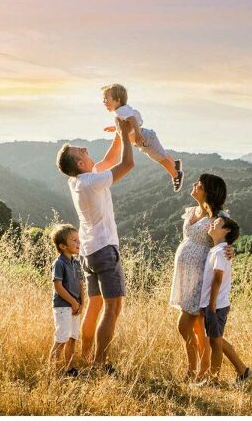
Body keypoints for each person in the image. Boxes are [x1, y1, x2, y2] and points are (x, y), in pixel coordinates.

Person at [55, 116, 135, 374]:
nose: (87, 150)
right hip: (104, 250)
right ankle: (100, 364)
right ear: (79, 162)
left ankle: (88, 355)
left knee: (96, 304)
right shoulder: (91, 181)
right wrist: (125, 132)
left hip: (88, 252)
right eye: (82, 151)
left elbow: (109, 161)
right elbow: (127, 164)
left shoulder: (77, 180)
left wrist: (120, 136)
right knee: (113, 306)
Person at [169, 173, 233, 381]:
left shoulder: (218, 217)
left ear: (208, 191)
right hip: (185, 276)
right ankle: (197, 371)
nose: (194, 184)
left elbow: (228, 240)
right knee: (196, 327)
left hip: (200, 276)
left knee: (187, 325)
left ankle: (197, 370)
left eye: (199, 184)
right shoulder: (193, 211)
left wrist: (232, 250)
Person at [197, 216, 252, 387]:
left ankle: (213, 380)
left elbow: (218, 279)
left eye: (217, 223)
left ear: (226, 230)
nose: (212, 223)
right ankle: (243, 371)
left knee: (215, 342)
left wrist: (211, 303)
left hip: (216, 304)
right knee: (216, 340)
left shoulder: (221, 252)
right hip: (211, 304)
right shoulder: (217, 250)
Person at [100, 83, 183, 192]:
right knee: (160, 153)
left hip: (145, 140)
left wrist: (138, 134)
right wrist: (115, 128)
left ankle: (176, 175)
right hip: (147, 138)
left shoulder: (121, 110)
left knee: (161, 159)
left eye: (106, 99)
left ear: (117, 99)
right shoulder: (122, 110)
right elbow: (127, 126)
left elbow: (133, 120)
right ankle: (175, 163)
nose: (104, 101)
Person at [48, 224, 85, 376]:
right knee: (62, 338)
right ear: (63, 246)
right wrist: (73, 302)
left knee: (72, 338)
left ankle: (69, 369)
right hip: (63, 307)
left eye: (79, 240)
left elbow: (81, 285)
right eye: (74, 240)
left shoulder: (76, 263)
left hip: (75, 306)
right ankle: (53, 372)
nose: (79, 243)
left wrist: (82, 303)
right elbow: (58, 287)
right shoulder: (59, 263)